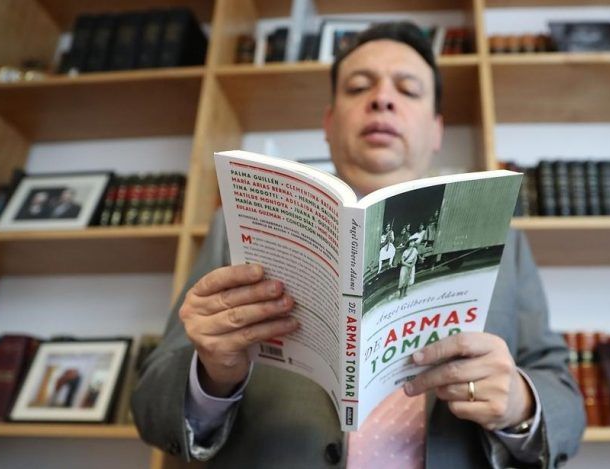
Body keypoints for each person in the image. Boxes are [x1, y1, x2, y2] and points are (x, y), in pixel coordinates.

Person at [132, 22, 584, 468]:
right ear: (329, 124)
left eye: (407, 90)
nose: (382, 99)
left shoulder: (506, 239)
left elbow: (564, 399)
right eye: (358, 87)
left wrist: (519, 403)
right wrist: (211, 375)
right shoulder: (235, 226)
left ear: (436, 130)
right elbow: (151, 406)